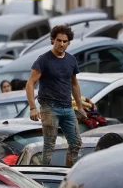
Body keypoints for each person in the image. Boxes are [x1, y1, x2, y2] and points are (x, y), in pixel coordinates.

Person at [26, 24, 85, 166]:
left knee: (76, 143)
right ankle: (44, 178)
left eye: (65, 42)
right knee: (49, 146)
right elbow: (30, 84)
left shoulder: (71, 60)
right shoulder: (44, 60)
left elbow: (74, 84)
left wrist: (80, 106)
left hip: (67, 107)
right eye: (59, 40)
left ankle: (69, 174)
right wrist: (33, 107)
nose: (62, 44)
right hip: (49, 107)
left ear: (68, 43)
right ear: (53, 40)